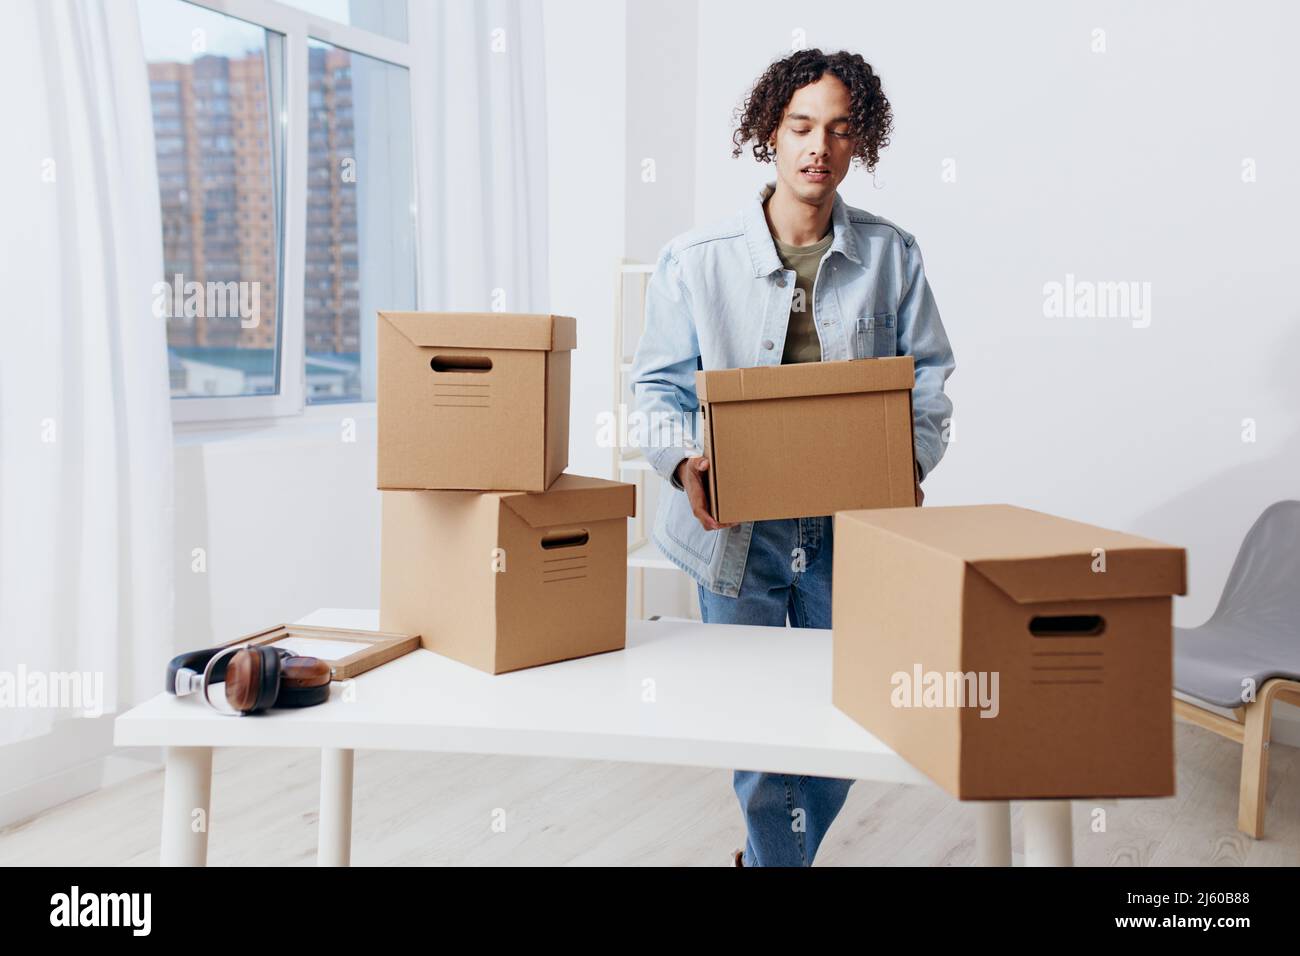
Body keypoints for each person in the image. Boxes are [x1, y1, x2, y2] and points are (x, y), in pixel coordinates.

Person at [629, 48, 957, 867]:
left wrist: (907, 463)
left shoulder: (893, 256)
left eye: (840, 130)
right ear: (769, 134)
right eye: (802, 126)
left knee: (850, 711)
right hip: (734, 523)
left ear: (859, 144)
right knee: (755, 721)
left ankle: (769, 859)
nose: (820, 146)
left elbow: (929, 381)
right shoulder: (694, 259)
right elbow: (656, 390)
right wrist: (681, 465)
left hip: (850, 525)